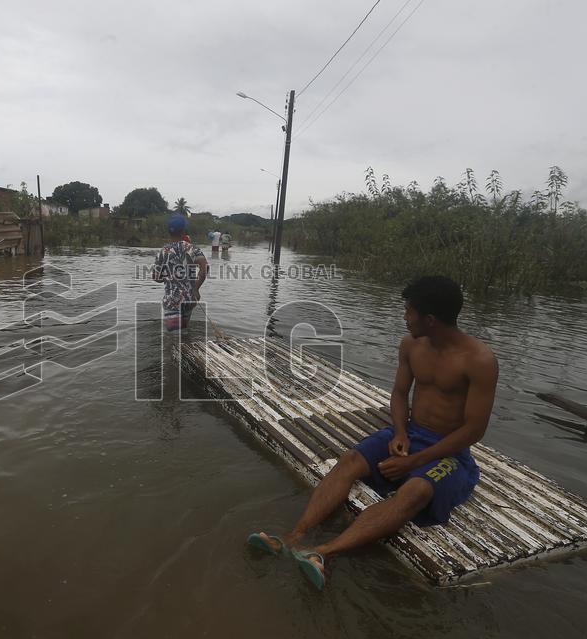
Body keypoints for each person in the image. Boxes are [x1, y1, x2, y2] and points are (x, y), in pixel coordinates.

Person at [248, 275, 499, 590]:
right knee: (351, 459)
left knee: (415, 492)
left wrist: (414, 461)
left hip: (448, 451)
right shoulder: (411, 345)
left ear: (430, 320)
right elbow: (398, 394)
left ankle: (323, 552)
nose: (404, 318)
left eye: (409, 312)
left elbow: (474, 430)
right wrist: (400, 433)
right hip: (412, 433)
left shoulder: (479, 361)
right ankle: (293, 536)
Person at [153, 214, 208, 331]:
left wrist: (167, 276)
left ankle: (173, 349)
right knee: (184, 333)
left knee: (173, 337)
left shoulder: (162, 252)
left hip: (171, 300)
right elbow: (205, 268)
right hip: (189, 299)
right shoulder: (193, 249)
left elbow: (156, 278)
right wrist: (196, 289)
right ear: (183, 231)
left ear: (168, 231)